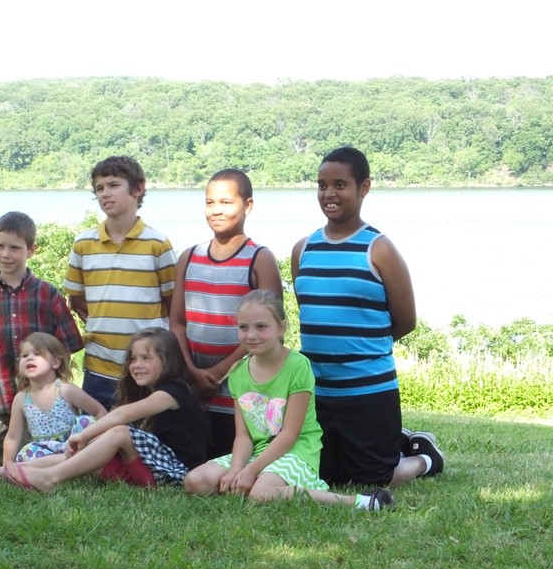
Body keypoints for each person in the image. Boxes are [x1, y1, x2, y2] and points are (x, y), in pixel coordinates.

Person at [291, 146, 444, 488]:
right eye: (322, 185)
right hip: (317, 392)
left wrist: (362, 348)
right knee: (324, 475)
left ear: (364, 188)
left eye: (340, 185)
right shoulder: (303, 249)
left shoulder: (379, 249)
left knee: (374, 480)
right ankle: (397, 439)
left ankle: (425, 457)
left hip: (368, 391)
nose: (329, 194)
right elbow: (310, 311)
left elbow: (405, 321)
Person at [184, 291, 393, 509]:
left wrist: (251, 470)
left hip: (296, 451)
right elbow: (244, 436)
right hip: (258, 452)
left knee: (261, 494)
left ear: (281, 328)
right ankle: (266, 484)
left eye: (261, 327)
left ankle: (360, 501)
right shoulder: (238, 372)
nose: (251, 335)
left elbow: (290, 434)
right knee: (195, 481)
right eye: (243, 327)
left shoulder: (297, 366)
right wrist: (237, 469)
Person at [0, 327, 209, 494]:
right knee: (94, 449)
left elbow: (122, 415)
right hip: (145, 469)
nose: (137, 365)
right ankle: (5, 472)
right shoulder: (145, 392)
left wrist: (83, 436)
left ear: (168, 360)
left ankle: (50, 478)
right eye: (133, 359)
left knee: (118, 432)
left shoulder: (174, 392)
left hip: (174, 473)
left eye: (146, 358)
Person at [0, 211, 84, 466]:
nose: (6, 254)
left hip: (40, 405)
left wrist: (56, 390)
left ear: (31, 250)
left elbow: (66, 347)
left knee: (44, 458)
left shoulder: (47, 295)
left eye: (15, 248)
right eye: (0, 246)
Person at [169, 168, 283, 459]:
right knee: (194, 459)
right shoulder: (189, 257)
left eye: (226, 202)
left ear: (248, 205)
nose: (216, 210)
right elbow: (178, 323)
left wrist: (220, 372)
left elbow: (269, 329)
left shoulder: (259, 259)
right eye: (210, 203)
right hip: (195, 388)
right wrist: (192, 372)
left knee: (234, 457)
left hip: (241, 390)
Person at [64, 156, 177, 410]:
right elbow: (77, 300)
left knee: (145, 431)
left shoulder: (157, 244)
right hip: (99, 366)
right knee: (97, 429)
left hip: (147, 368)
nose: (105, 193)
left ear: (138, 189)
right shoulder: (83, 244)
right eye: (99, 188)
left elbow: (173, 304)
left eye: (114, 185)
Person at [0, 333, 107, 481]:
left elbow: (99, 411)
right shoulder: (21, 399)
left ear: (55, 362)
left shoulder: (65, 389)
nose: (29, 358)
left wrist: (101, 437)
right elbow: (13, 437)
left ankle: (79, 463)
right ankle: (11, 471)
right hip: (45, 452)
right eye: (24, 355)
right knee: (28, 454)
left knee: (87, 422)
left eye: (37, 354)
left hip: (74, 444)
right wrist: (7, 464)